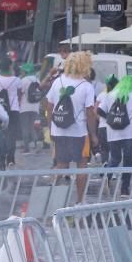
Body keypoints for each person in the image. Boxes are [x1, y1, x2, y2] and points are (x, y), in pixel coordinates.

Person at [45, 51, 97, 202]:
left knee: (61, 164)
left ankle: (52, 197)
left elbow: (49, 107)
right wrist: (93, 135)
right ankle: (79, 200)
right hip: (79, 133)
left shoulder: (58, 82)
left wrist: (51, 128)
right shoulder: (86, 86)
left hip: (58, 130)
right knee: (82, 165)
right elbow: (90, 112)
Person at [98, 76, 132, 196]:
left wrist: (110, 119)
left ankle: (107, 176)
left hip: (112, 132)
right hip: (129, 133)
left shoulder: (110, 95)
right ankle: (124, 188)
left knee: (115, 158)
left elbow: (99, 110)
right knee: (128, 160)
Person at [0, 63, 22, 166]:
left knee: (0, 134)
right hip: (14, 110)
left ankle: (1, 156)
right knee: (12, 135)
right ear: (10, 67)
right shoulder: (17, 80)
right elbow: (19, 95)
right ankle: (11, 159)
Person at [18, 62, 41, 153]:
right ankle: (36, 144)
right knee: (32, 126)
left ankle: (26, 148)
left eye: (23, 70)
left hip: (24, 107)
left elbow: (20, 93)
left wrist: (18, 103)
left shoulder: (23, 80)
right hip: (35, 107)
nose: (22, 71)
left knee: (25, 127)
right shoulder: (37, 80)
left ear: (26, 71)